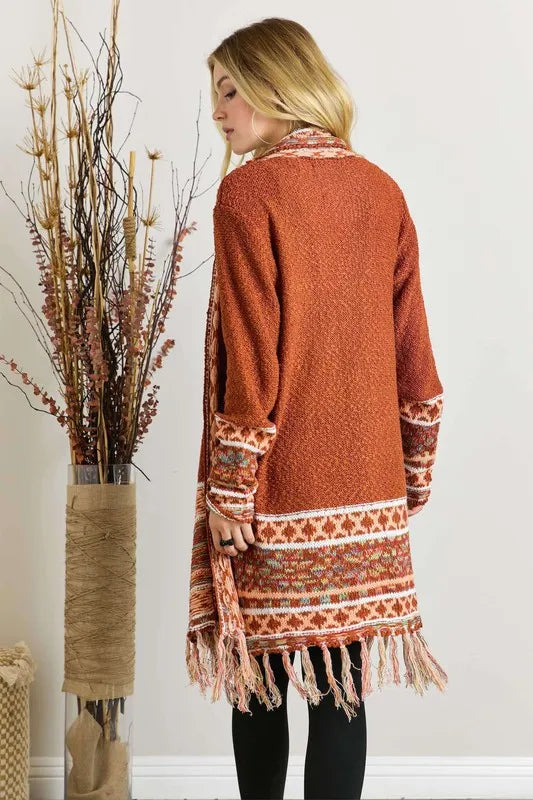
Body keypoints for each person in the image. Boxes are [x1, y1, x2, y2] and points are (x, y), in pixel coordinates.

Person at [186, 16, 448, 800]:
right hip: (366, 490)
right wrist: (411, 474)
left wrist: (231, 486)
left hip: (276, 490)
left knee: (259, 686)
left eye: (230, 90)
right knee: (342, 691)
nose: (217, 111)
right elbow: (414, 353)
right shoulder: (380, 190)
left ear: (276, 84)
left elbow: (251, 355)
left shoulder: (248, 193)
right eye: (214, 94)